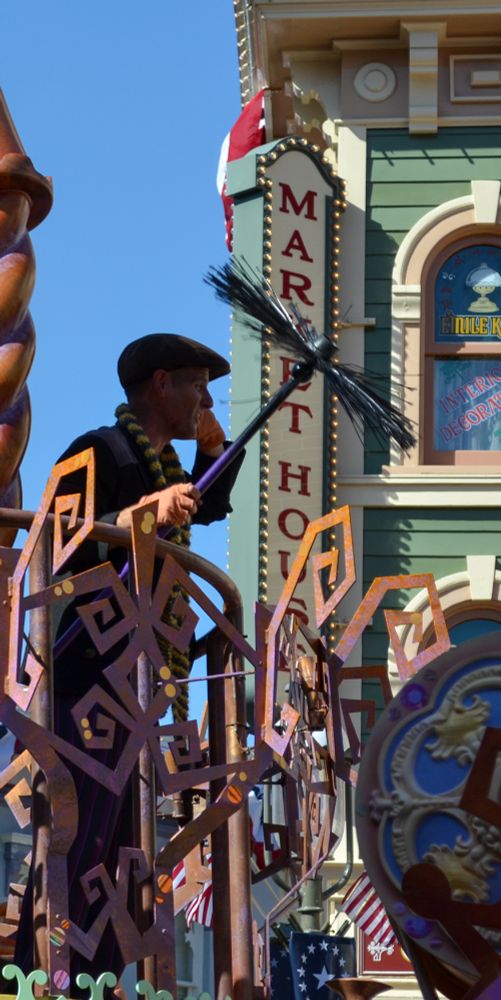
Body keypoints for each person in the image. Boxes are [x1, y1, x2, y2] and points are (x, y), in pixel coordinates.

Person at [15, 333, 244, 984]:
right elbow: (54, 541)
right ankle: (49, 973)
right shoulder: (101, 450)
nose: (206, 398)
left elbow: (211, 502)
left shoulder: (169, 468)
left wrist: (210, 450)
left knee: (126, 845)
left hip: (142, 677)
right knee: (77, 833)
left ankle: (108, 976)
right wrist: (142, 513)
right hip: (88, 672)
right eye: (198, 385)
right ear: (161, 383)